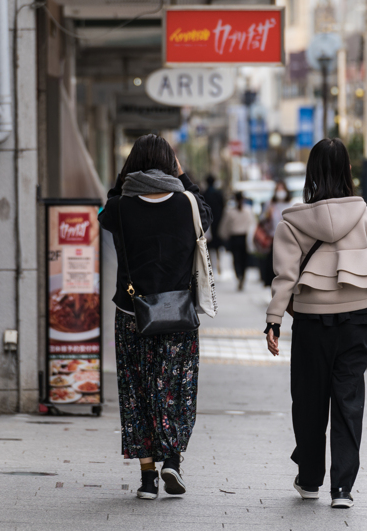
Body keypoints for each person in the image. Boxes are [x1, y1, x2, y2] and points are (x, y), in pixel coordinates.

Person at [264, 138, 367, 510]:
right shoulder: (365, 216)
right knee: (349, 402)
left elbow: (284, 277)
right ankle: (343, 489)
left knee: (308, 402)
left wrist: (273, 321)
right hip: (354, 320)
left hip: (310, 323)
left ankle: (310, 479)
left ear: (311, 173)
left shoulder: (293, 222)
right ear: (348, 170)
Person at [98, 134, 212, 501]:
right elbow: (205, 212)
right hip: (178, 313)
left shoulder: (120, 208)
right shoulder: (188, 204)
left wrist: (123, 178)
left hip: (131, 313)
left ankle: (147, 479)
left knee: (135, 391)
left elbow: (108, 209)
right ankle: (173, 460)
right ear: (171, 164)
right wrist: (185, 177)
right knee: (176, 387)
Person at [259, 180, 293, 287]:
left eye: (282, 189)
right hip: (273, 237)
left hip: (287, 238)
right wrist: (267, 214)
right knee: (273, 262)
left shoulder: (291, 204)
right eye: (278, 189)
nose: (280, 191)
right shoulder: (270, 204)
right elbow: (262, 219)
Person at [219, 191, 255, 290]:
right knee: (244, 259)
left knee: (236, 259)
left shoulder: (230, 211)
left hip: (235, 238)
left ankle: (239, 275)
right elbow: (252, 225)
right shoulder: (248, 211)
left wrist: (223, 236)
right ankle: (242, 276)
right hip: (244, 238)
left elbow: (224, 226)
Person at [203, 175, 226, 275]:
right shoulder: (218, 194)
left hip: (208, 223)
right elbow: (223, 207)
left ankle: (211, 266)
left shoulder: (204, 194)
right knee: (217, 246)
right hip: (218, 223)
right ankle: (219, 264)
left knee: (208, 246)